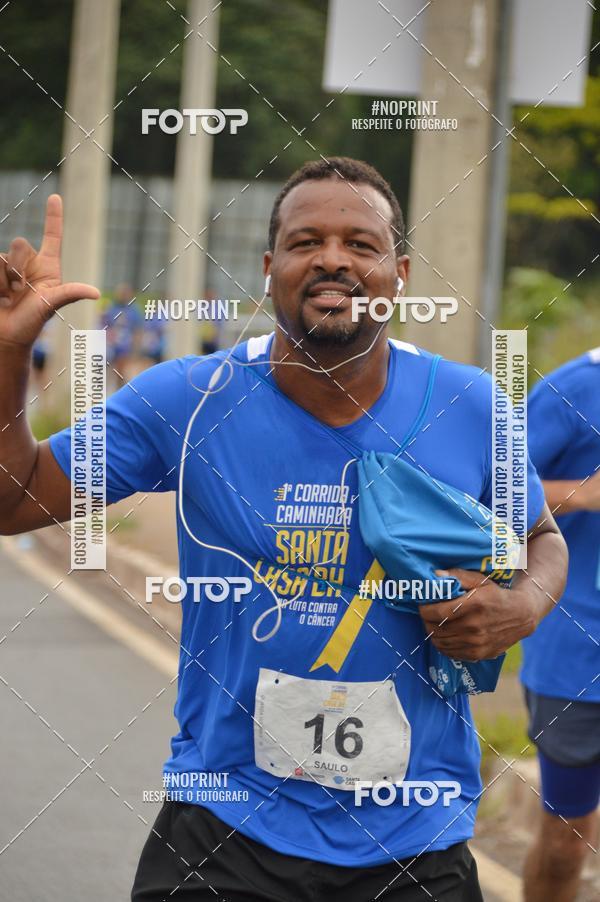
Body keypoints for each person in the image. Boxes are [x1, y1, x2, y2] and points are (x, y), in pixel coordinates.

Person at [0, 158, 567, 901]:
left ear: (399, 274)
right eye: (306, 242)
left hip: (415, 838)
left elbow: (541, 538)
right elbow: (14, 503)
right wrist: (9, 352)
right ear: (269, 270)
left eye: (360, 244)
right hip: (226, 831)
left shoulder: (471, 405)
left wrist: (522, 606)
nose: (333, 259)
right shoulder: (190, 399)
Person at [521, 350, 600, 902]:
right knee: (566, 841)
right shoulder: (573, 389)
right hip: (577, 657)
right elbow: (493, 489)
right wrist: (588, 493)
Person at [101, 281, 143, 385]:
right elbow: (105, 325)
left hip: (125, 345)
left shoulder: (134, 310)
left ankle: (120, 387)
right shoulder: (111, 308)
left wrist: (136, 347)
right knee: (105, 371)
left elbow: (138, 330)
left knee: (121, 370)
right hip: (110, 344)